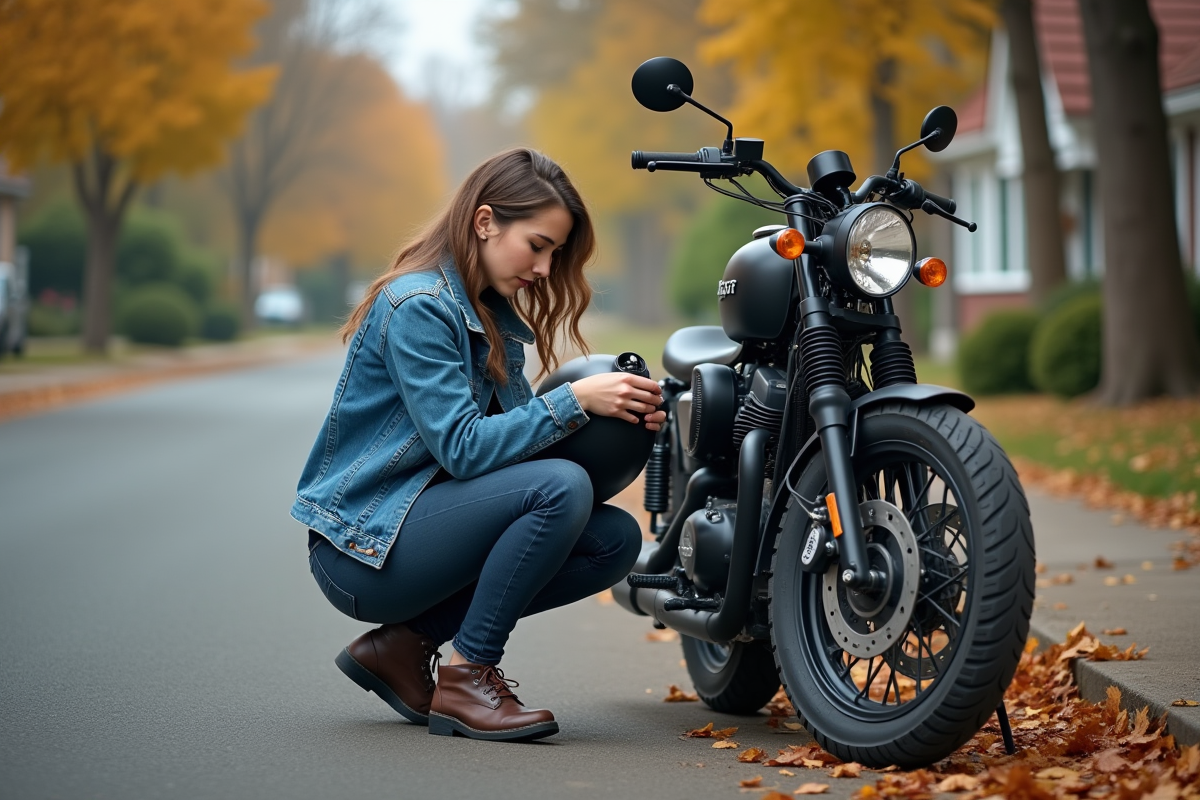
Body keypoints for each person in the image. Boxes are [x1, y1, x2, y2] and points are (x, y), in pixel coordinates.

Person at [291, 148, 665, 742]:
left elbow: (514, 457)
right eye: (538, 245)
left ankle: (402, 647)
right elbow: (464, 449)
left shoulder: (490, 319)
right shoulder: (417, 308)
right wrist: (574, 401)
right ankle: (468, 676)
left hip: (423, 529)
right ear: (485, 221)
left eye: (555, 254)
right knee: (558, 489)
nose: (545, 268)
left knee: (612, 540)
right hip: (363, 552)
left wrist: (616, 424)